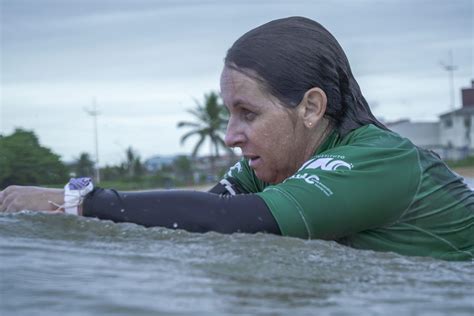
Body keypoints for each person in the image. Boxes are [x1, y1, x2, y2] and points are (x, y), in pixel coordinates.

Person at [0, 17, 472, 261]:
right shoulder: (264, 166)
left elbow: (232, 219)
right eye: (229, 114)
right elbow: (196, 227)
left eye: (248, 113)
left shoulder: (380, 160)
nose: (230, 136)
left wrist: (77, 201)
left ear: (311, 108)